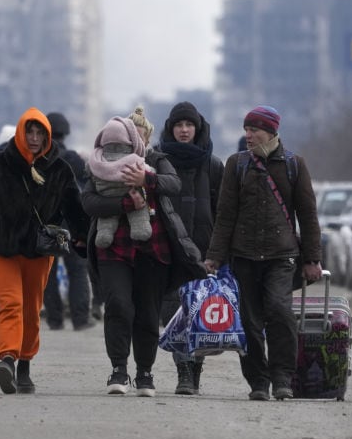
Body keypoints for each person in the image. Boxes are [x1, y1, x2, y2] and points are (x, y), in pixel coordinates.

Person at [0, 107, 89, 395]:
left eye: (39, 132)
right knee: (11, 303)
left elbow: (75, 210)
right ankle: (7, 359)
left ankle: (25, 365)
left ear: (47, 135)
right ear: (19, 132)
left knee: (31, 310)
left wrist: (84, 241)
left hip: (37, 252)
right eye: (29, 131)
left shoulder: (58, 168)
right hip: (0, 248)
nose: (33, 137)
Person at [204, 105, 323, 401]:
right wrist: (214, 257)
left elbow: (308, 215)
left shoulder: (295, 165)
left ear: (271, 132)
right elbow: (225, 215)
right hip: (243, 256)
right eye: (246, 130)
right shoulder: (237, 164)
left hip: (282, 257)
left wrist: (311, 259)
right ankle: (258, 380)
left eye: (254, 130)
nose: (248, 135)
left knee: (280, 311)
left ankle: (283, 376)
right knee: (249, 322)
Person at [82, 115, 205, 397]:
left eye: (139, 136)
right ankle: (118, 369)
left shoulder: (157, 160)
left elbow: (174, 184)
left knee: (148, 314)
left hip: (153, 249)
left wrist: (146, 178)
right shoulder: (100, 163)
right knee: (118, 305)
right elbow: (88, 201)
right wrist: (124, 203)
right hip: (113, 248)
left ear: (145, 138)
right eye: (128, 137)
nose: (133, 142)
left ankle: (144, 372)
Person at [156, 101, 224, 396]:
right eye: (179, 125)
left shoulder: (213, 165)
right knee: (174, 314)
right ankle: (184, 371)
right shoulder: (158, 162)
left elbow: (224, 212)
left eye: (189, 125)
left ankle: (194, 369)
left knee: (199, 314)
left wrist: (218, 254)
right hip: (168, 252)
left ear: (198, 129)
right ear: (171, 129)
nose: (184, 130)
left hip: (204, 253)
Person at [42, 112, 93, 331]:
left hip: (47, 224)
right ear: (66, 133)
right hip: (72, 223)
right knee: (78, 270)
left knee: (48, 272)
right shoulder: (73, 158)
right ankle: (80, 319)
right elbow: (88, 185)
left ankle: (55, 320)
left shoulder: (39, 160)